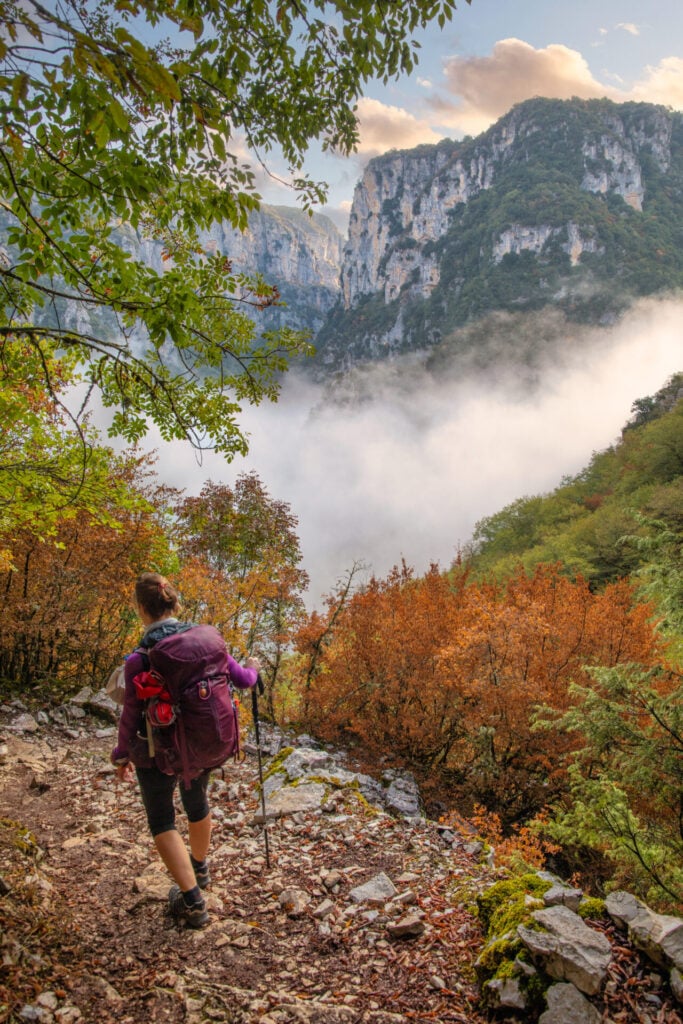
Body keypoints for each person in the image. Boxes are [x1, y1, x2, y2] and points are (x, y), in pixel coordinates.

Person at [111, 572, 259, 928]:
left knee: (162, 819)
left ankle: (193, 902)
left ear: (141, 610)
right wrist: (255, 669)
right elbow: (243, 679)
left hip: (157, 751)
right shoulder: (209, 640)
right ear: (173, 602)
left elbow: (131, 715)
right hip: (202, 743)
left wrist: (120, 755)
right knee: (197, 803)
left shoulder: (140, 659)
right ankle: (200, 867)